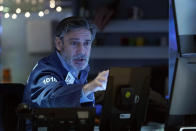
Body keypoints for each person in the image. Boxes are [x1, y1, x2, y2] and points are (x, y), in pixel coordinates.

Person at [23, 16, 109, 108]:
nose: (82, 51)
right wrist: (89, 88)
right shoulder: (45, 69)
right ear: (59, 44)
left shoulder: (79, 70)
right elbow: (50, 98)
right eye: (74, 43)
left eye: (86, 43)